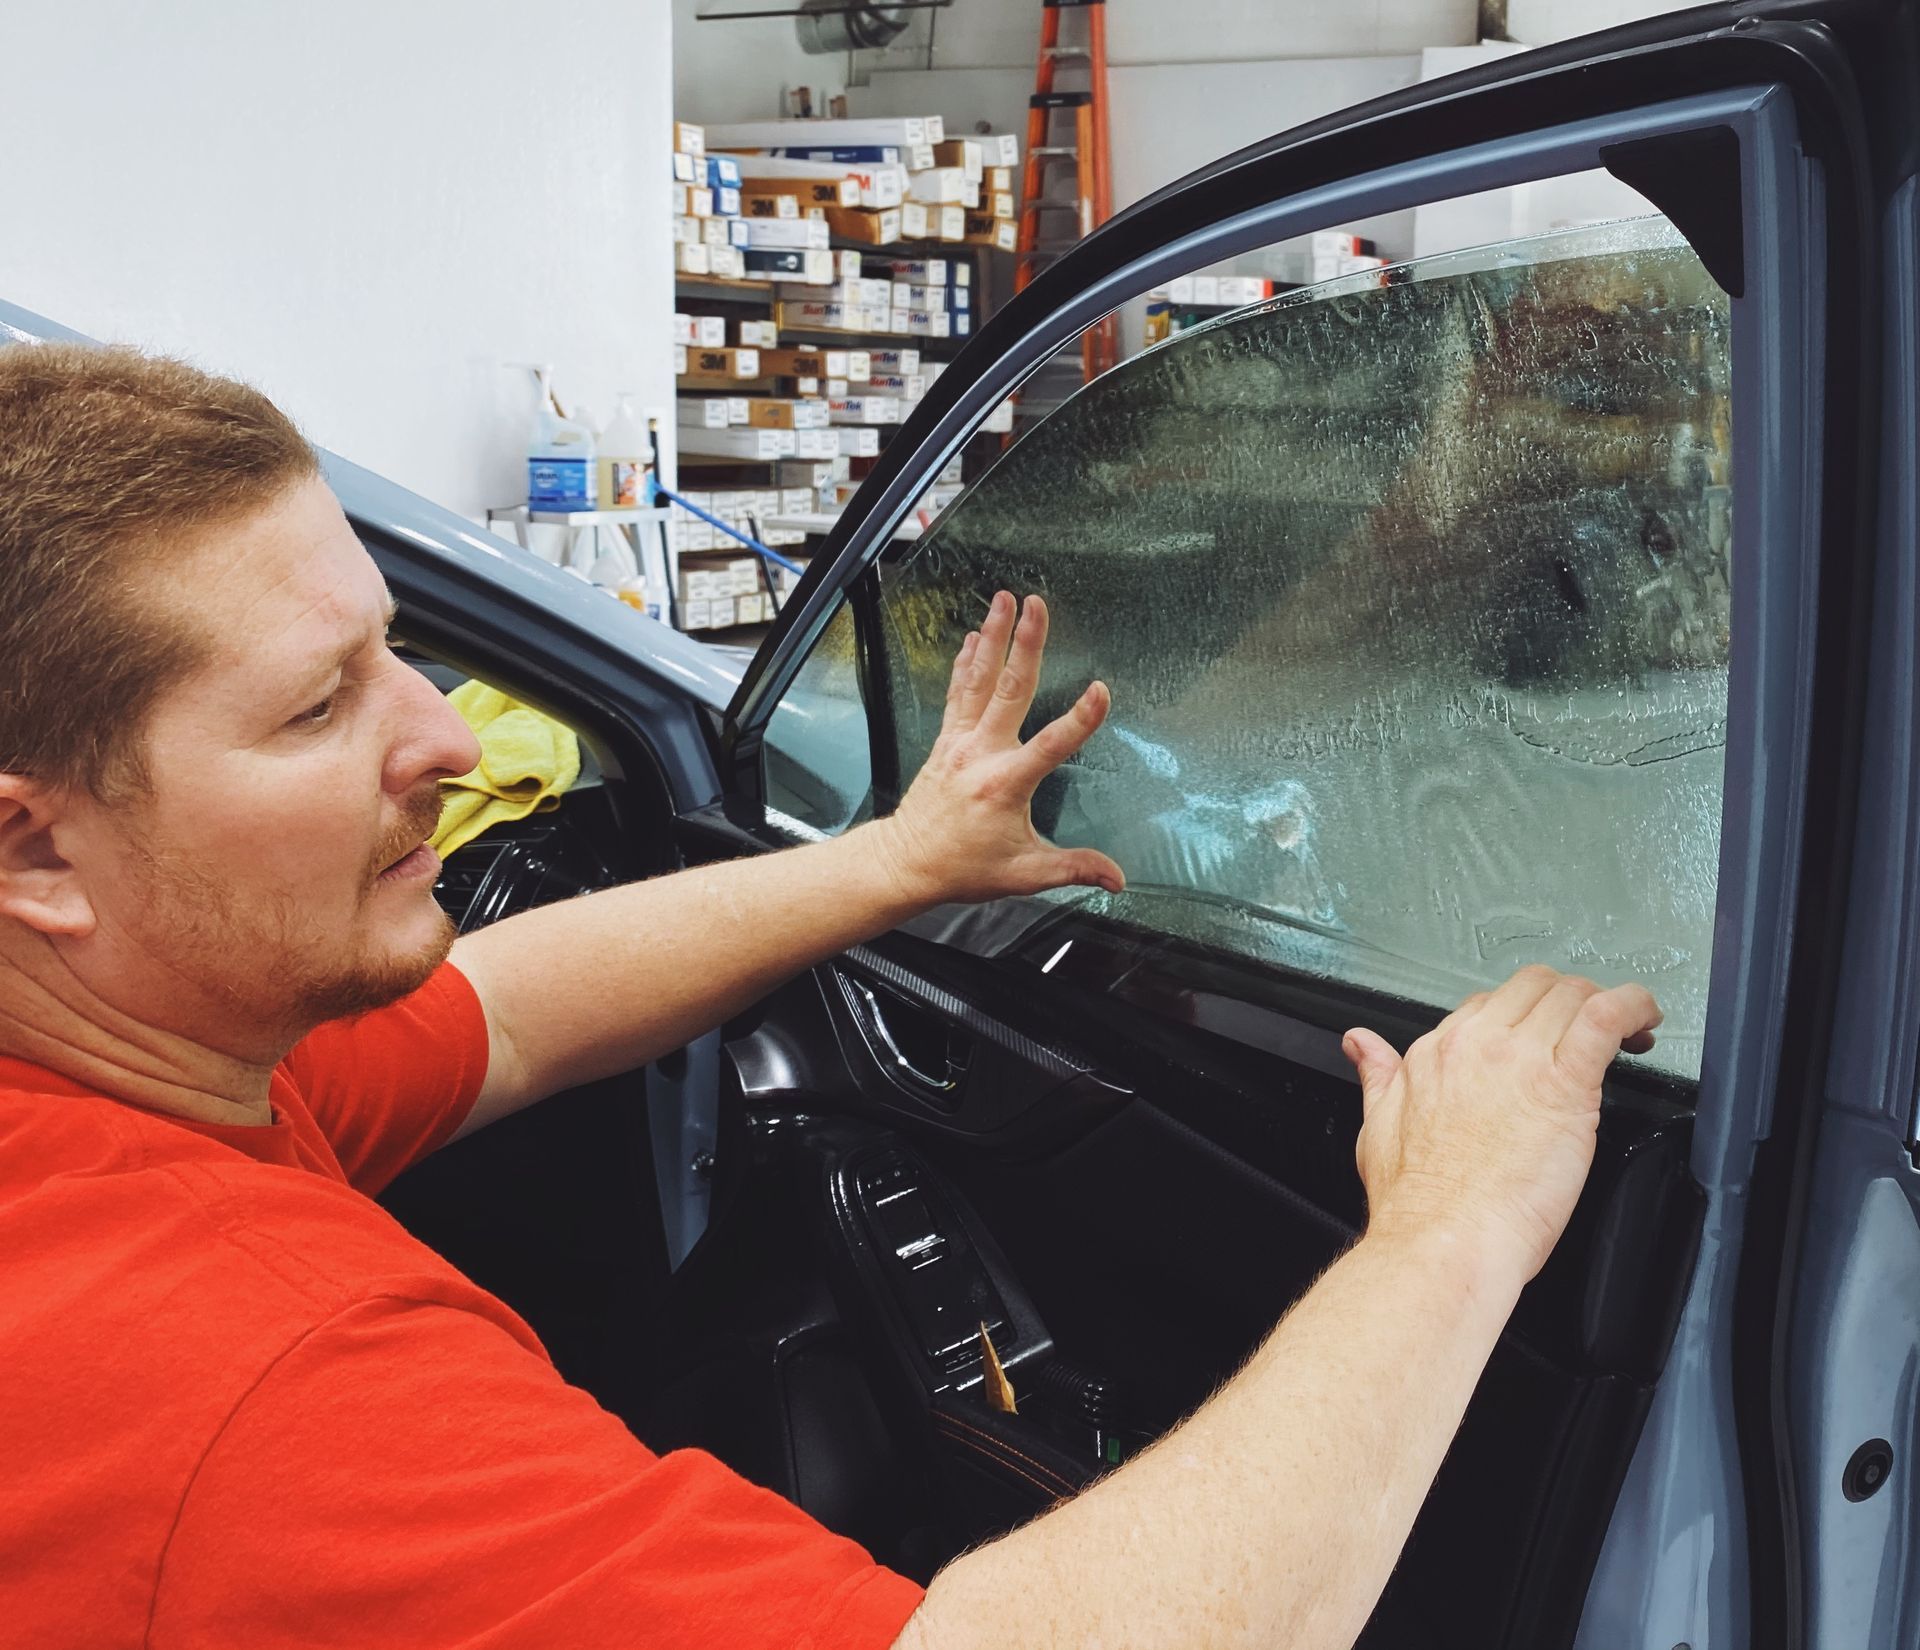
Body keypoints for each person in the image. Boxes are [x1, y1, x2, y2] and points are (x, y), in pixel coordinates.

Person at [0, 343, 1661, 1650]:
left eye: (392, 648)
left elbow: (503, 1012)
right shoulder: (255, 1393)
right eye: (316, 711)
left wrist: (896, 859)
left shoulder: (147, 1059)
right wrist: (1449, 1229)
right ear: (36, 851)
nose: (441, 738)